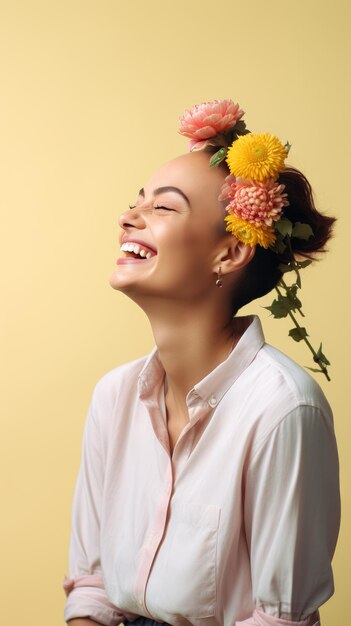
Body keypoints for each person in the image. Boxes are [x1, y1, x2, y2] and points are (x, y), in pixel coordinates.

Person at [63, 100, 340, 626]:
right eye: (136, 201)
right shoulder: (113, 397)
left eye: (163, 208)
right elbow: (93, 588)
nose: (128, 217)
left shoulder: (283, 411)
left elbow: (280, 620)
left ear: (230, 254)